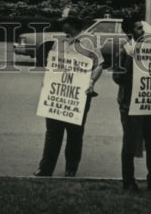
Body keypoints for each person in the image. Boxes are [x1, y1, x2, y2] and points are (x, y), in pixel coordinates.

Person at [34, 14, 104, 178]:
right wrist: (47, 81)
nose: (61, 25)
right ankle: (45, 169)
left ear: (72, 25)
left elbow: (99, 65)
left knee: (74, 134)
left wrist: (91, 81)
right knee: (52, 132)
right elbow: (52, 64)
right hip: (57, 93)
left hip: (78, 94)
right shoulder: (59, 41)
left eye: (64, 23)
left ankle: (71, 169)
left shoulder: (89, 42)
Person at [112, 13, 151, 195]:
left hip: (147, 103)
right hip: (130, 104)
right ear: (130, 32)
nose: (143, 31)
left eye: (142, 27)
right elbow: (118, 77)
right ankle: (128, 182)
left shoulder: (149, 48)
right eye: (138, 28)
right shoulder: (124, 51)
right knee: (130, 143)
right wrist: (130, 59)